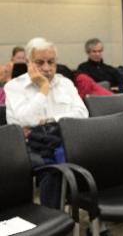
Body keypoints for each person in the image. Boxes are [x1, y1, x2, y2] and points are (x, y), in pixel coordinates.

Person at [5, 37, 89, 208]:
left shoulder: (65, 83)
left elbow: (82, 114)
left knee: (94, 156)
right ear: (28, 62)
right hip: (30, 145)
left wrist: (50, 121)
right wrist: (43, 89)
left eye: (51, 62)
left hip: (65, 139)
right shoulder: (14, 87)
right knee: (52, 169)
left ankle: (93, 210)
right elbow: (23, 120)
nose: (46, 68)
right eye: (39, 62)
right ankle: (55, 218)